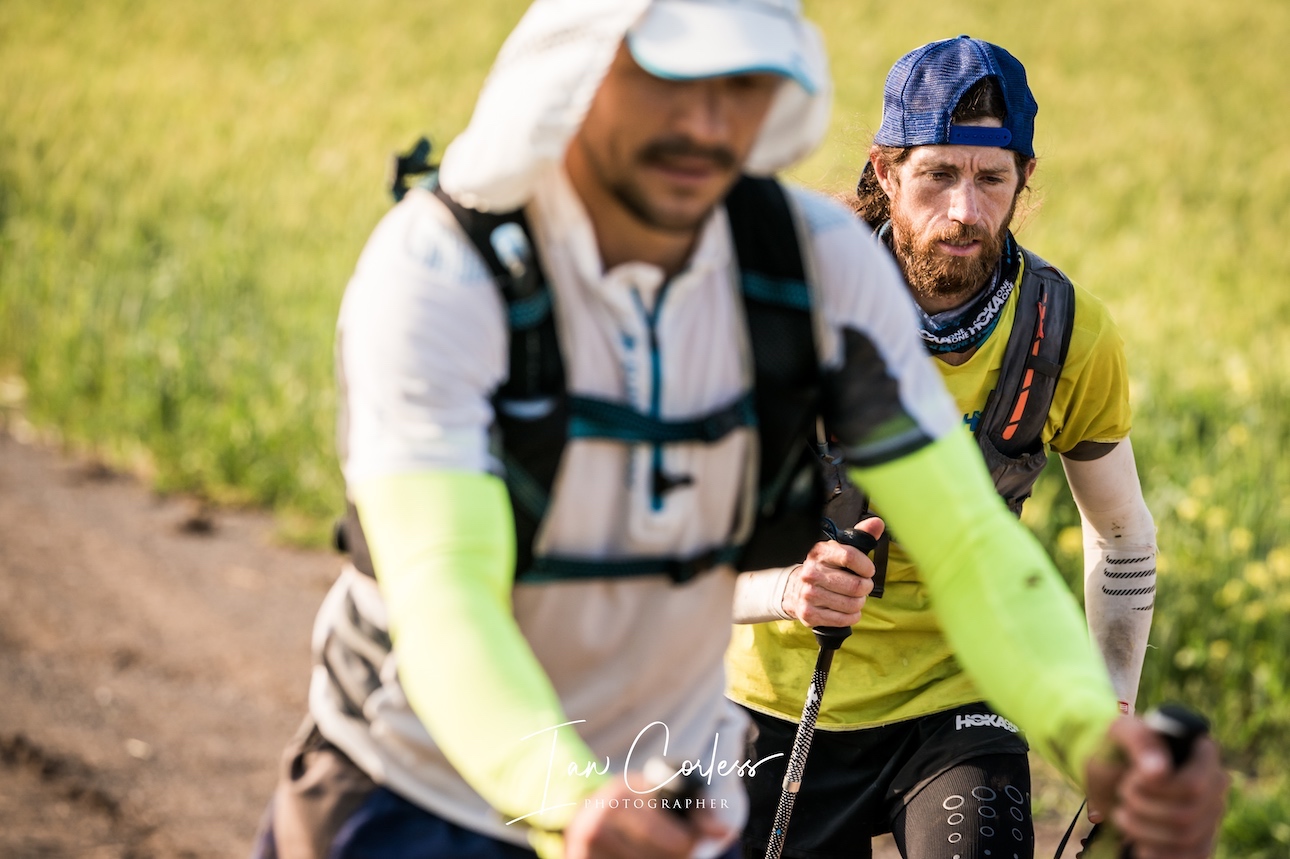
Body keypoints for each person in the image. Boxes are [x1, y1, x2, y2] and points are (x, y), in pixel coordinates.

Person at [252, 6, 1226, 859]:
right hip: (418, 789)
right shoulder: (441, 272)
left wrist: (1091, 730)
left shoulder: (815, 269)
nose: (708, 125)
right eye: (672, 82)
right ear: (583, 70)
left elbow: (969, 542)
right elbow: (444, 591)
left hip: (671, 793)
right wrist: (571, 797)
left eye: (742, 86)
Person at [727, 35, 1224, 859]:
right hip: (772, 695)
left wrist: (1109, 711)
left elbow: (1123, 534)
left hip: (960, 697)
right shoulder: (787, 316)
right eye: (937, 176)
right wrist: (786, 588)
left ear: (1024, 178)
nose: (964, 210)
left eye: (992, 179)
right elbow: (667, 557)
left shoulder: (1065, 334)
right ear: (886, 172)